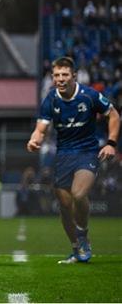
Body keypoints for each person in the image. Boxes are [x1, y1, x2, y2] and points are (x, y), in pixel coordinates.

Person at [27, 56, 119, 264]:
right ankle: (76, 248)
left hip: (87, 152)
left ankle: (83, 235)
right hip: (63, 155)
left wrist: (111, 143)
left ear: (74, 76)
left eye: (65, 75)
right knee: (64, 205)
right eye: (57, 75)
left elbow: (113, 115)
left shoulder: (89, 96)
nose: (61, 79)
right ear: (52, 77)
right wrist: (35, 139)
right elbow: (41, 128)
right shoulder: (50, 99)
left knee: (78, 194)